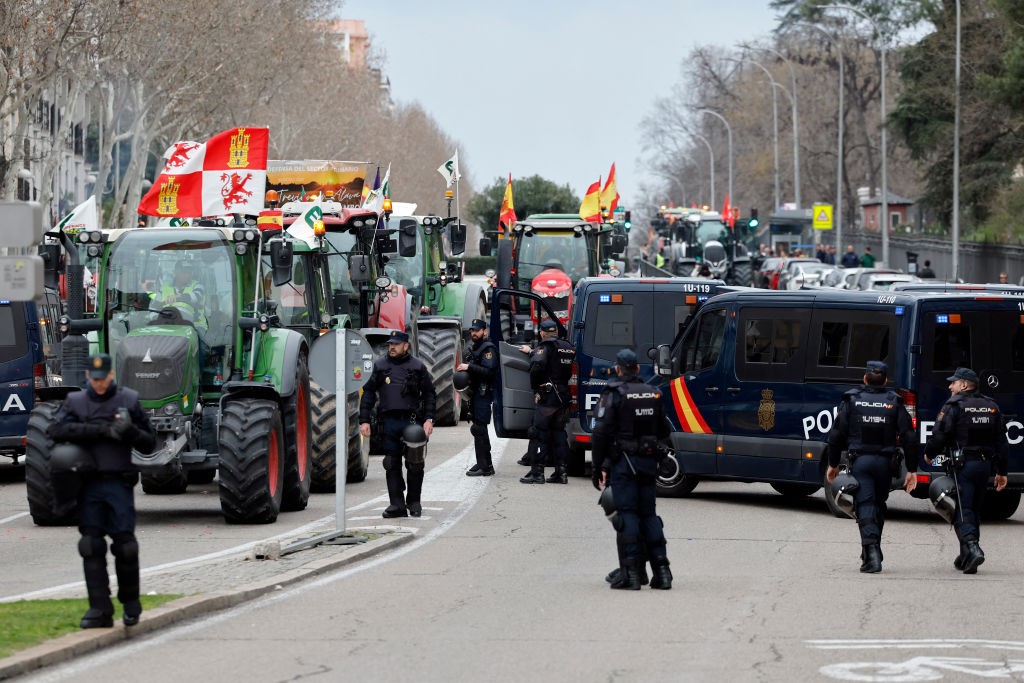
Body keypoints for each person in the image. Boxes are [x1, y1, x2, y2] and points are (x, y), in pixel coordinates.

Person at [47, 353, 156, 628]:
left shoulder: (128, 400)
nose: (98, 384)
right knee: (90, 545)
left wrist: (129, 431)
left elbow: (149, 444)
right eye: (93, 379)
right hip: (88, 483)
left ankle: (131, 603)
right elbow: (55, 430)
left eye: (103, 379)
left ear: (111, 376)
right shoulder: (75, 402)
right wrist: (99, 431)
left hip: (118, 482)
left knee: (126, 547)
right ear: (88, 377)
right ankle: (99, 609)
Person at [825, 361, 917, 573]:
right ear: (885, 380)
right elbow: (909, 437)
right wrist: (912, 469)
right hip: (885, 463)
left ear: (864, 378)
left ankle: (872, 553)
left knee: (865, 504)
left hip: (862, 461)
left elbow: (836, 435)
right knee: (878, 504)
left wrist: (832, 464)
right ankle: (872, 549)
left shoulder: (852, 400)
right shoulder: (894, 401)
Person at [591, 348, 673, 590]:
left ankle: (632, 574)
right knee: (648, 515)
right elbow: (664, 432)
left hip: (624, 464)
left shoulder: (614, 393)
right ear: (637, 368)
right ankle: (662, 571)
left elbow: (600, 433)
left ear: (618, 368)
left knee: (627, 515)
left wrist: (598, 467)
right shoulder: (653, 393)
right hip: (648, 462)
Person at [924, 367, 1009, 574]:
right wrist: (1002, 472)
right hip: (985, 466)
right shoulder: (991, 406)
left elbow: (940, 434)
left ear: (963, 385)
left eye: (953, 382)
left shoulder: (954, 405)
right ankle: (966, 557)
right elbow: (1001, 442)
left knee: (962, 508)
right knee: (974, 510)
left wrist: (930, 453)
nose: (950, 386)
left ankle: (973, 548)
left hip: (964, 466)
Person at [359, 330, 436, 518]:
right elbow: (368, 394)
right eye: (390, 344)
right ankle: (397, 504)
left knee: (415, 463)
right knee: (391, 463)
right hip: (389, 422)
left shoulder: (417, 366)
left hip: (412, 421)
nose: (391, 347)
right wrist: (364, 420)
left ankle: (414, 501)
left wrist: (428, 419)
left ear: (406, 346)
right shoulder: (379, 365)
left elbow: (429, 394)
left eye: (396, 344)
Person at [520, 319, 575, 485]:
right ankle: (561, 473)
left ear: (543, 333)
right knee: (559, 435)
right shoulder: (568, 347)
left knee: (539, 434)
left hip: (548, 396)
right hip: (563, 396)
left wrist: (536, 388)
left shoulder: (545, 347)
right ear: (556, 332)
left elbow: (537, 366)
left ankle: (537, 473)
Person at [459, 319, 497, 477]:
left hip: (484, 393)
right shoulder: (474, 348)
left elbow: (489, 372)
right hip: (474, 394)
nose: (474, 333)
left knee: (480, 429)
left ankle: (486, 467)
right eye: (472, 330)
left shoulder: (488, 348)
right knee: (477, 429)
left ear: (484, 331)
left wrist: (469, 367)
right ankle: (482, 462)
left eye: (477, 330)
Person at [151, 259, 207, 330]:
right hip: (169, 326)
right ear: (176, 272)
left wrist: (177, 297)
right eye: (184, 272)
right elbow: (153, 308)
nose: (188, 275)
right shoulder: (163, 289)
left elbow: (196, 296)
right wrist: (157, 320)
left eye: (190, 272)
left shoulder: (198, 285)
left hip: (196, 327)